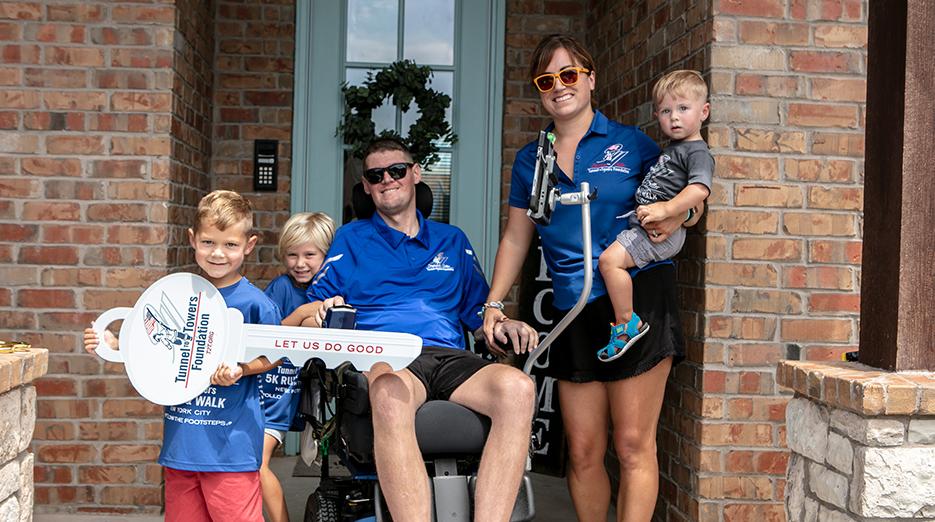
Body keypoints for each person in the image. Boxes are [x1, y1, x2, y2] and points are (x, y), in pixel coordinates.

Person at [481, 34, 702, 522]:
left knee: (630, 444)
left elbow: (689, 198)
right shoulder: (529, 160)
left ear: (590, 79)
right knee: (582, 449)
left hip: (635, 301)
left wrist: (676, 217)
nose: (559, 86)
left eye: (569, 75)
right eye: (547, 80)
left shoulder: (632, 143)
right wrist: (493, 304)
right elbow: (518, 238)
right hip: (572, 309)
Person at [307, 138, 539, 522]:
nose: (388, 180)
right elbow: (316, 305)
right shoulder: (351, 239)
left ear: (415, 174)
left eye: (397, 170)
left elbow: (480, 317)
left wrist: (505, 323)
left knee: (519, 388)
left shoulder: (453, 241)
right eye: (375, 175)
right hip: (387, 355)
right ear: (365, 186)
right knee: (387, 390)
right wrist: (321, 312)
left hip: (448, 355)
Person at [84, 190, 282, 522]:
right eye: (208, 242)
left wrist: (241, 369)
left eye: (230, 245)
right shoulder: (179, 293)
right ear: (192, 239)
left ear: (249, 245)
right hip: (181, 447)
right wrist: (115, 343)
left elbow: (275, 355)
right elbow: (161, 341)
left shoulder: (257, 303)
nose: (218, 253)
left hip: (230, 450)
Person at [596, 70, 713, 362]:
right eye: (665, 110)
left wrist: (667, 210)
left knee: (610, 262)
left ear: (704, 111)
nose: (674, 117)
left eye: (683, 108)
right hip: (647, 226)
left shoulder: (698, 152)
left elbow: (699, 190)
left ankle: (626, 324)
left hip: (660, 233)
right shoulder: (675, 149)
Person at [260, 211, 336, 522]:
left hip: (315, 385)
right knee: (257, 461)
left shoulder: (335, 288)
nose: (299, 263)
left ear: (327, 255)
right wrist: (304, 311)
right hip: (276, 384)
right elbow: (270, 333)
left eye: (309, 254)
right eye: (292, 255)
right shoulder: (281, 287)